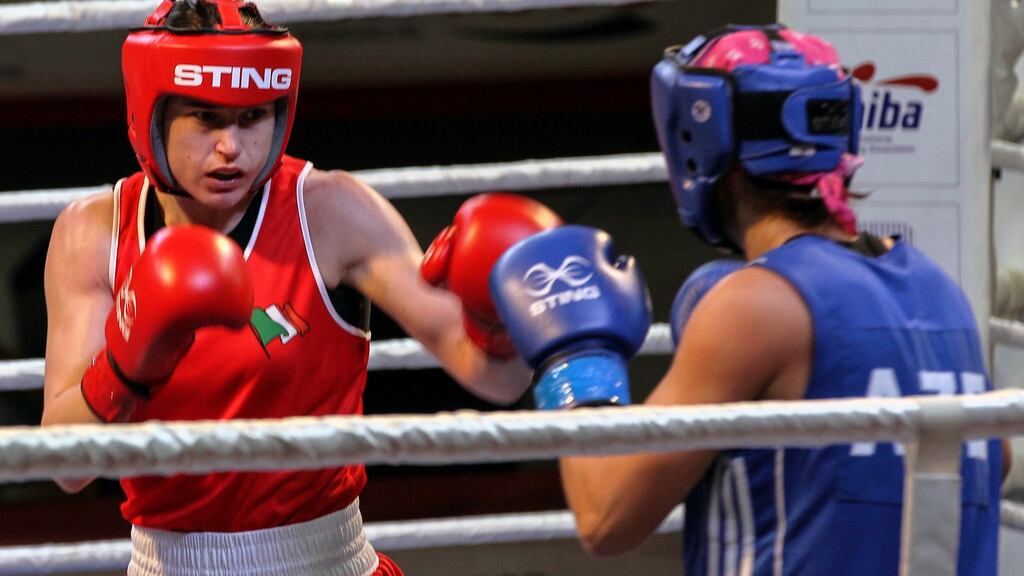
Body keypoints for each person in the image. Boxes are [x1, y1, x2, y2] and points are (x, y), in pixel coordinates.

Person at [39, 1, 557, 574]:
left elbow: (496, 380)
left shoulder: (330, 212)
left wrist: (497, 322)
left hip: (329, 560)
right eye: (205, 118)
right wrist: (124, 366)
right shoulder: (96, 233)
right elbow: (66, 467)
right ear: (153, 114)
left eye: (252, 116)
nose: (230, 147)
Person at [490, 24, 1008, 574]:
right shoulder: (938, 289)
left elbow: (606, 514)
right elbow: (993, 462)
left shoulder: (758, 306)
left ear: (698, 139)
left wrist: (577, 357)